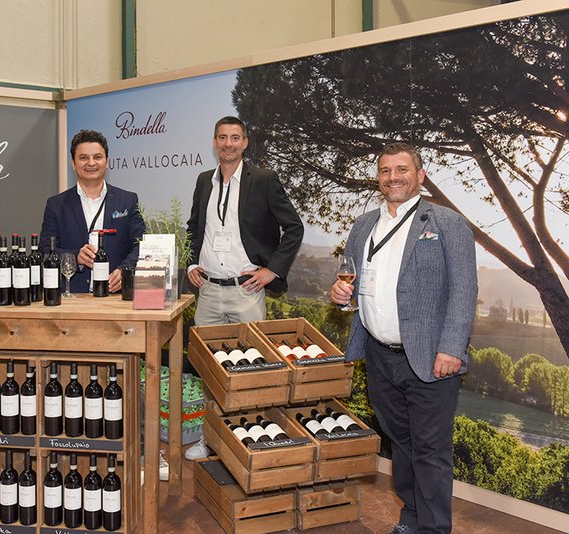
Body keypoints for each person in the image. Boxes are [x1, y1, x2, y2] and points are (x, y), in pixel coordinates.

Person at [330, 142, 477, 534]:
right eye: (385, 171)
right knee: (401, 443)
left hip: (431, 358)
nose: (392, 177)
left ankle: (433, 529)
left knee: (430, 451)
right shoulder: (364, 225)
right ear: (378, 178)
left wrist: (452, 348)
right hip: (379, 356)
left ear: (420, 175)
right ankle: (411, 516)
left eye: (401, 169)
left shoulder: (447, 223)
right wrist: (342, 296)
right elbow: (355, 283)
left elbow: (464, 290)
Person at [184, 116, 304, 459]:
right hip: (208, 291)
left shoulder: (263, 180)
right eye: (222, 137)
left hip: (246, 291)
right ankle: (209, 438)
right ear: (214, 142)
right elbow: (194, 227)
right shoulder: (204, 181)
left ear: (245, 142)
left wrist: (272, 270)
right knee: (210, 371)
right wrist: (191, 263)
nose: (228, 143)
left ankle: (248, 441)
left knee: (251, 370)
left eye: (235, 137)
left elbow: (293, 227)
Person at [40, 129, 145, 294]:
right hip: (73, 296)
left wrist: (125, 270)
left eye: (97, 157)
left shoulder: (128, 200)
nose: (91, 163)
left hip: (116, 296)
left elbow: (140, 244)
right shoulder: (56, 205)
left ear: (107, 162)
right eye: (83, 158)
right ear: (73, 163)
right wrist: (74, 257)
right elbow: (45, 251)